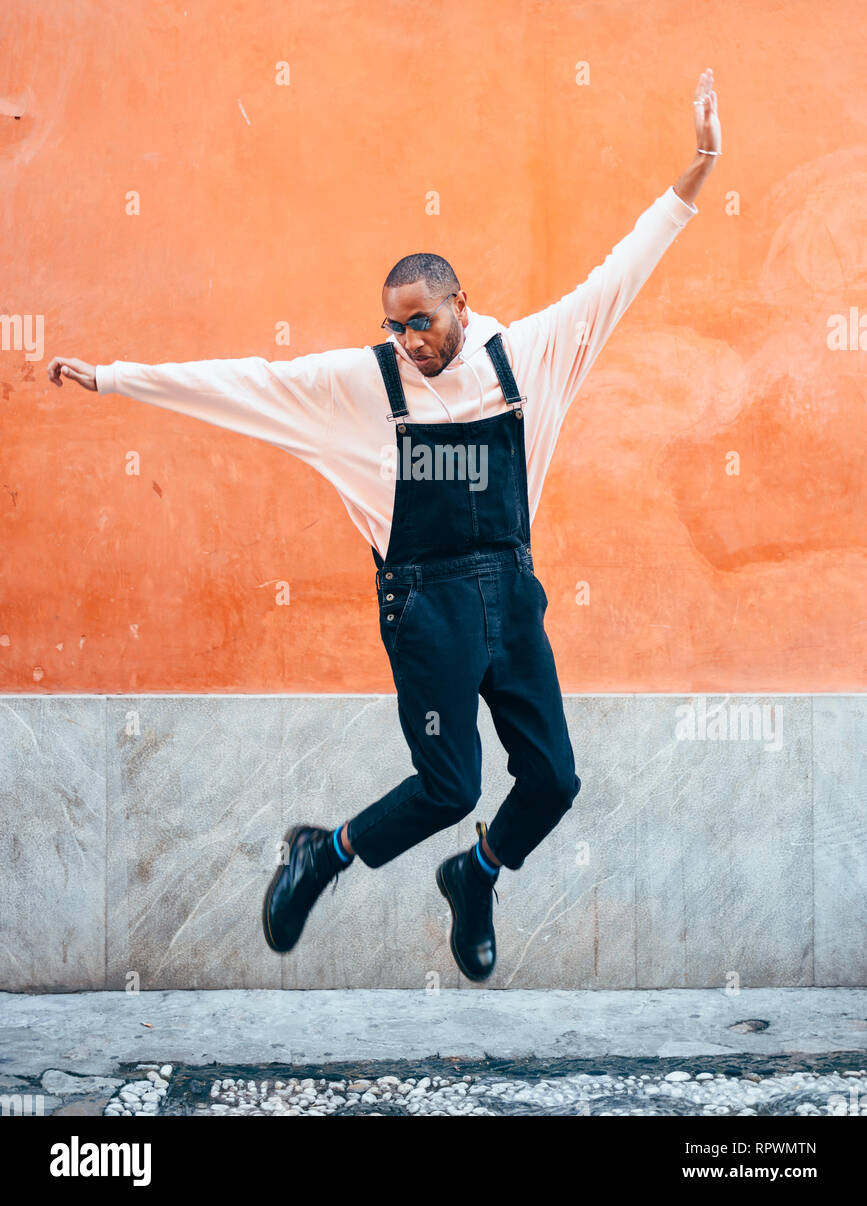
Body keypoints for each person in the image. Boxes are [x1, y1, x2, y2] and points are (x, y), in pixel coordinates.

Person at [47, 70, 721, 982]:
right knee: (451, 786)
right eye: (397, 325)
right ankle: (320, 854)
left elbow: (620, 273)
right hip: (426, 608)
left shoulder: (529, 355)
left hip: (511, 600)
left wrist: (699, 168)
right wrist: (119, 376)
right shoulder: (359, 384)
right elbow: (246, 382)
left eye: (423, 321)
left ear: (461, 306)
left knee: (554, 780)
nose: (410, 339)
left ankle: (474, 876)